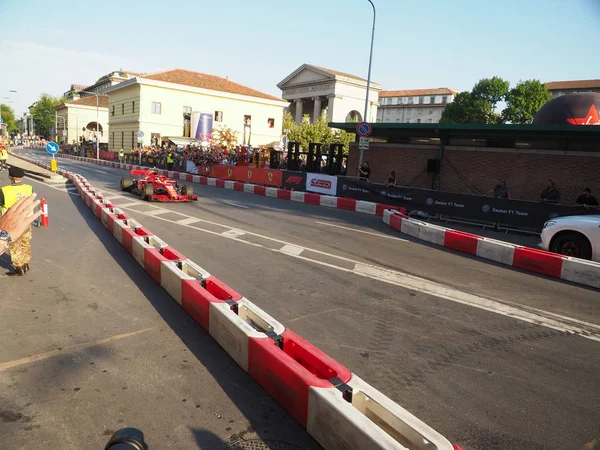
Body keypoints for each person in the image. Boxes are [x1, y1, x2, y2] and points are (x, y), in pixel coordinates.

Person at [0, 166, 34, 276]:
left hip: (12, 223)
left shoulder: (4, 191)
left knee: (14, 245)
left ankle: (19, 267)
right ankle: (25, 263)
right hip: (26, 221)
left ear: (10, 177)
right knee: (25, 242)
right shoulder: (29, 188)